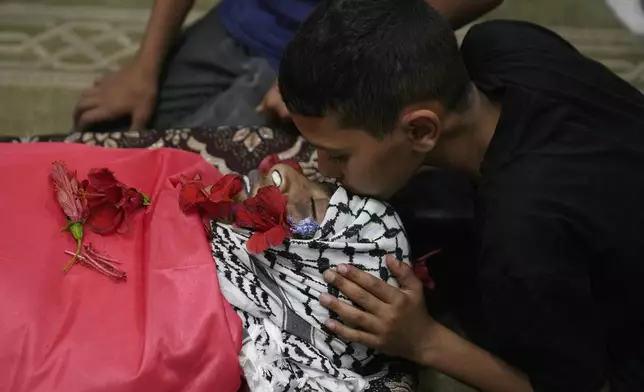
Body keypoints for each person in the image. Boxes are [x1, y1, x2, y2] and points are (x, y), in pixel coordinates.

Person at [277, 1, 644, 391]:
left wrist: (425, 341)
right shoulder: (504, 42)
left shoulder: (517, 238)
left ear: (420, 131)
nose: (324, 167)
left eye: (339, 155)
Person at [72, 0, 504, 133]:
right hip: (240, 19)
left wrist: (353, 53)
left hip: (350, 40)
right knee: (102, 136)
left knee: (204, 199)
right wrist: (143, 67)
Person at [207, 158, 415, 391]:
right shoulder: (193, 174)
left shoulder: (217, 343)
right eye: (323, 184)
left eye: (313, 208)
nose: (285, 177)